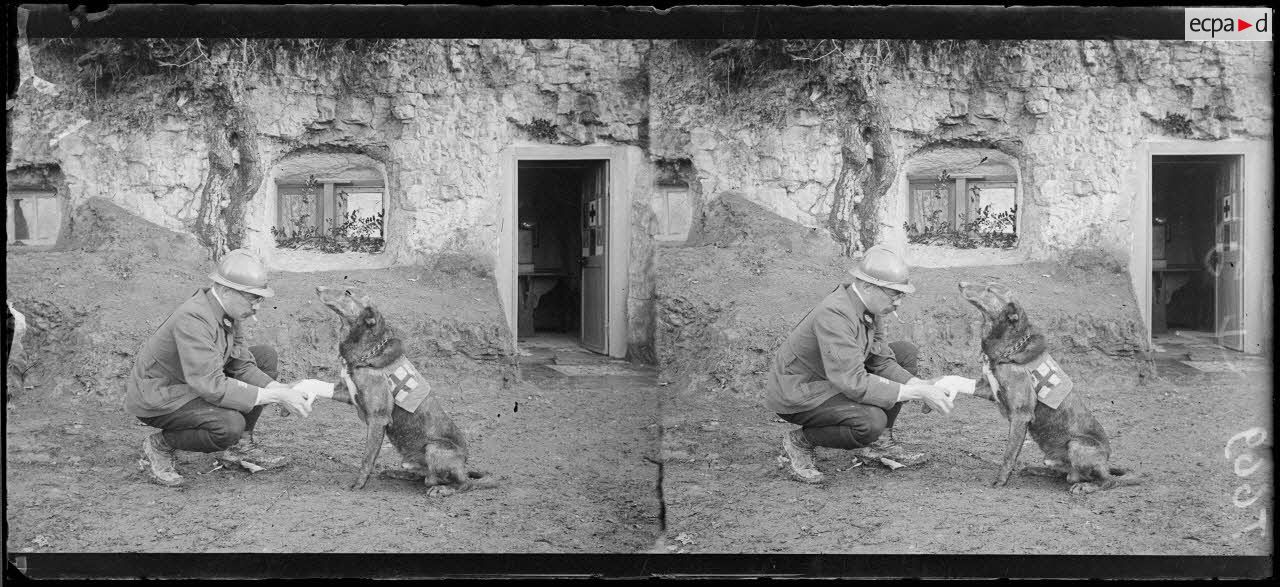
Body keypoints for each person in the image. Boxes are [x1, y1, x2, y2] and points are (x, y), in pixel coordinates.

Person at [125, 249, 324, 487]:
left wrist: (279, 388)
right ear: (227, 291)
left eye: (259, 299)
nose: (257, 307)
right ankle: (160, 445)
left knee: (264, 357)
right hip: (161, 396)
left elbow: (240, 362)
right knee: (228, 426)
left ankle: (240, 448)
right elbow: (211, 385)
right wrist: (277, 395)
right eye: (253, 298)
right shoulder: (194, 318)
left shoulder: (226, 311)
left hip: (192, 383)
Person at [765, 245, 962, 484]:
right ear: (868, 286)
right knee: (870, 422)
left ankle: (879, 445)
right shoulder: (835, 314)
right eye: (894, 294)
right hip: (801, 392)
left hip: (834, 379)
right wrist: (918, 392)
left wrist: (921, 384)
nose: (898, 303)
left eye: (901, 295)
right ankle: (800, 441)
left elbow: (880, 360)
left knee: (904, 354)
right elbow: (853, 382)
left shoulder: (869, 307)